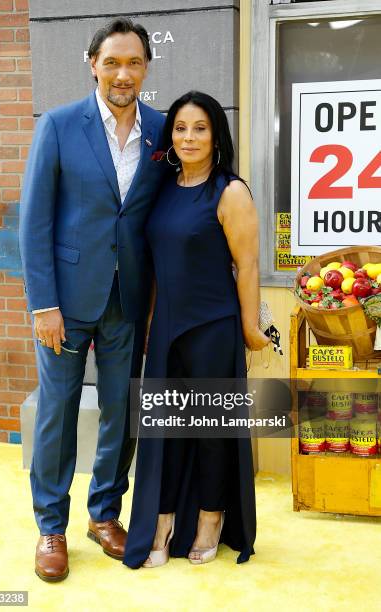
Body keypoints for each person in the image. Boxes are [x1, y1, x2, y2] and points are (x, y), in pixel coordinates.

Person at [19, 17, 166, 582]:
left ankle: (103, 513)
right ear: (93, 65)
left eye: (133, 63)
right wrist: (43, 305)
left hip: (127, 301)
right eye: (112, 62)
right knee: (56, 415)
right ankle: (50, 525)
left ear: (145, 67)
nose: (122, 73)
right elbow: (34, 223)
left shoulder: (159, 130)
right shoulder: (58, 126)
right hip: (65, 304)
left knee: (121, 415)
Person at [123, 91, 270, 569]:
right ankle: (162, 522)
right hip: (166, 328)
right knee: (165, 431)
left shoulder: (230, 192)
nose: (188, 137)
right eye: (180, 128)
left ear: (216, 135)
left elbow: (247, 266)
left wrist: (250, 327)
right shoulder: (163, 187)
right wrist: (148, 324)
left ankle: (211, 518)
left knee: (209, 431)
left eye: (200, 128)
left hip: (213, 327)